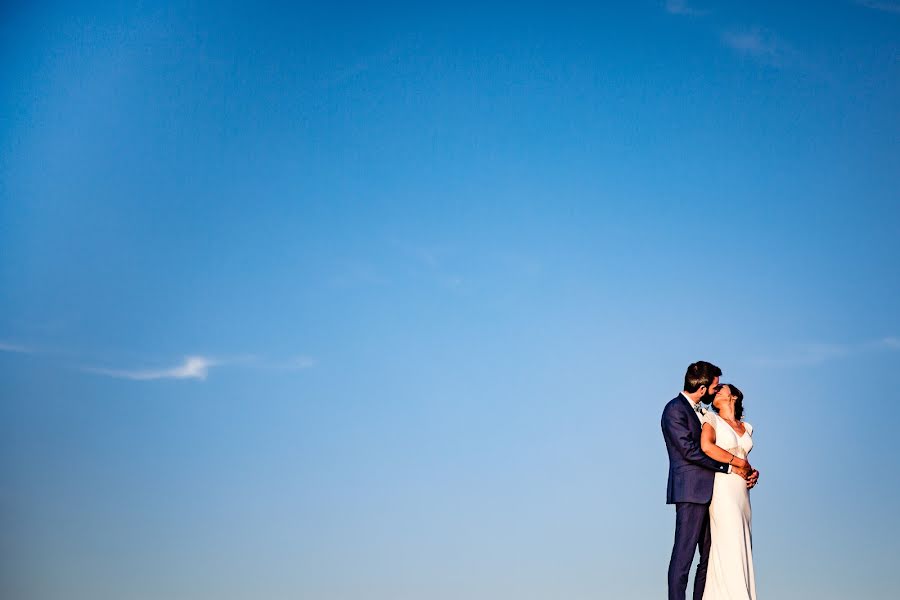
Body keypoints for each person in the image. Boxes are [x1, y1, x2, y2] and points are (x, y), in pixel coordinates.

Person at [660, 361, 759, 600]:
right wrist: (729, 466)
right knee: (683, 556)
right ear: (703, 389)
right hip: (691, 492)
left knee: (709, 558)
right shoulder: (674, 409)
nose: (716, 390)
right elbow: (689, 451)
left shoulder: (704, 413)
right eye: (715, 387)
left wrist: (747, 471)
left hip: (715, 493)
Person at [699, 383, 757, 599]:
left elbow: (746, 460)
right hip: (722, 485)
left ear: (733, 396)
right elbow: (707, 447)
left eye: (721, 388)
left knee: (742, 543)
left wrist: (752, 471)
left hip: (742, 493)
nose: (716, 391)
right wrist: (738, 463)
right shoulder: (711, 419)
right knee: (728, 542)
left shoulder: (747, 427)